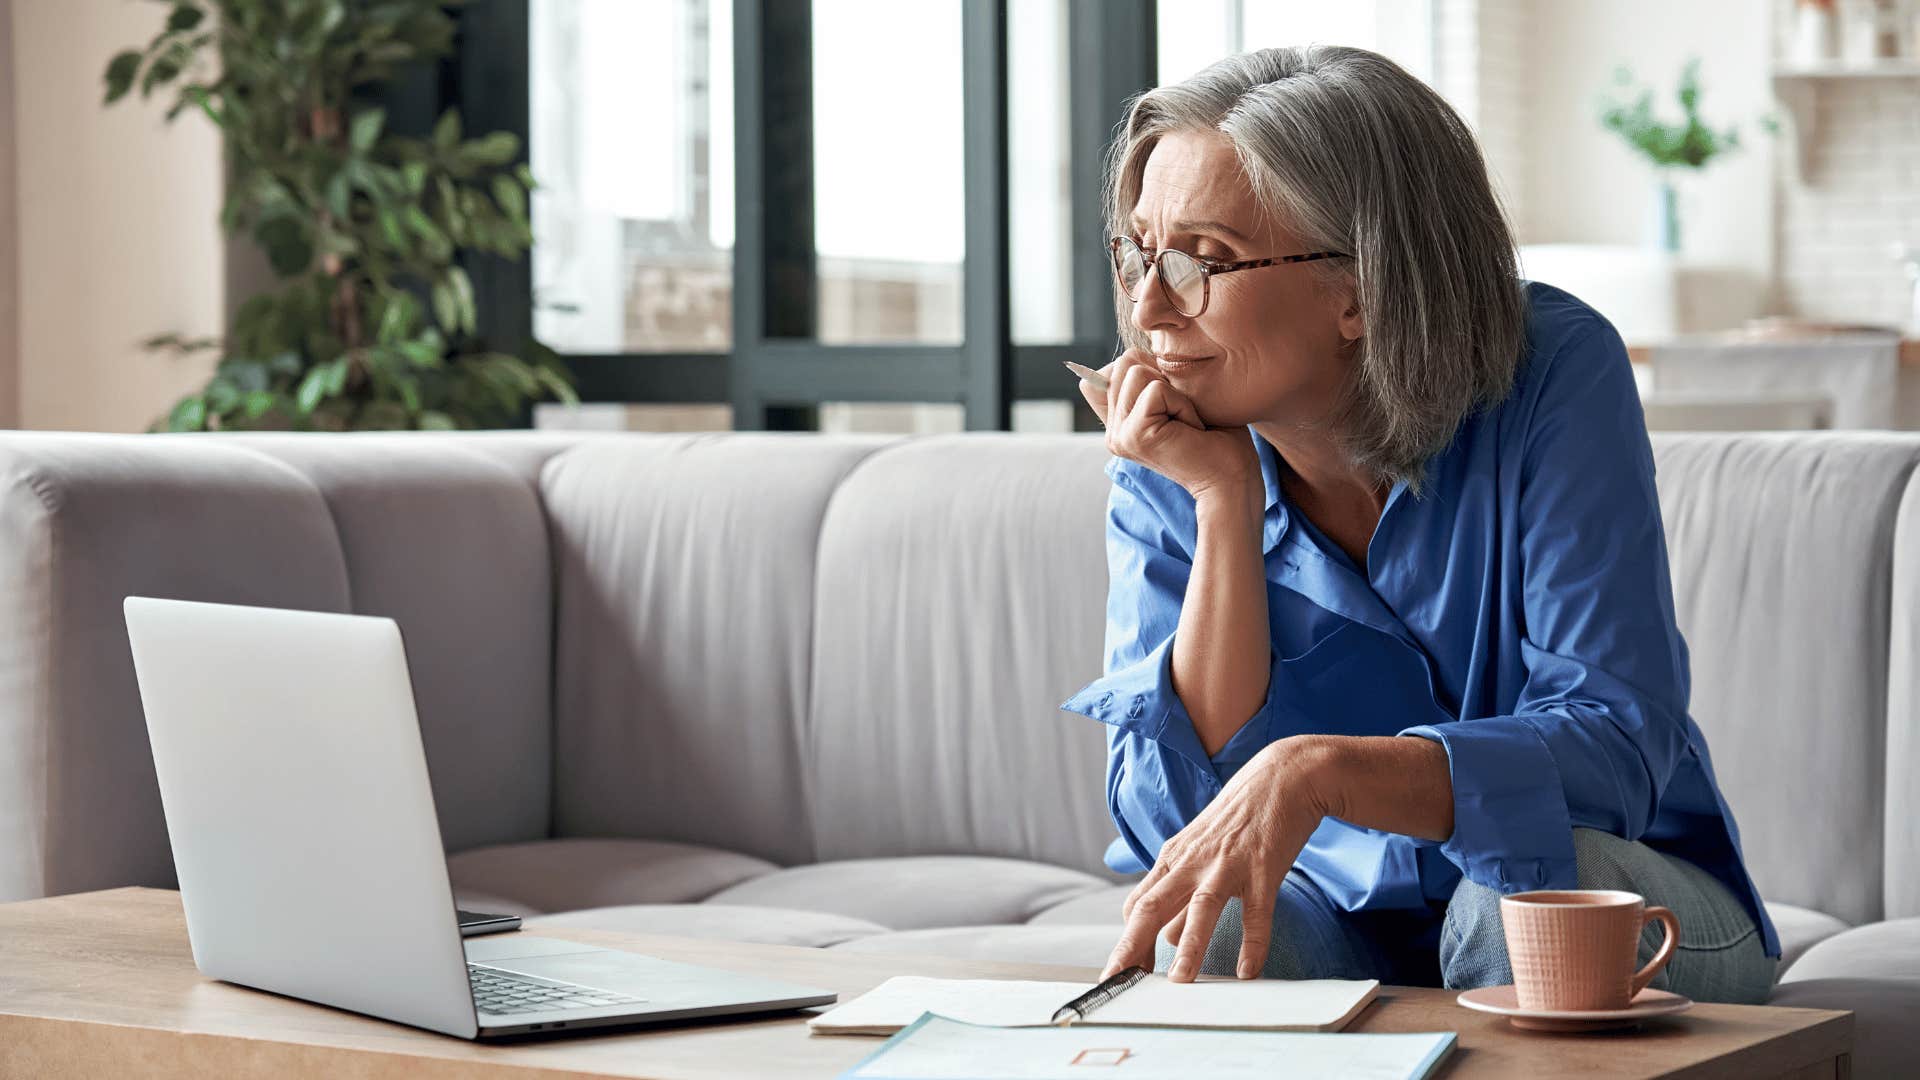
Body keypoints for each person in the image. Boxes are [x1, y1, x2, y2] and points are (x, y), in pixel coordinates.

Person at [1058, 45, 1778, 1003]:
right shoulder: (1175, 440)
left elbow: (1615, 747)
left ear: (1360, 288)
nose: (1149, 308)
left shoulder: (1555, 372)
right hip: (1338, 913)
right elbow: (1173, 822)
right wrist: (1223, 506)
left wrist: (1322, 773)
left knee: (1513, 908)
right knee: (1216, 923)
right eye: (1137, 254)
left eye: (1203, 261)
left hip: (1619, 890)